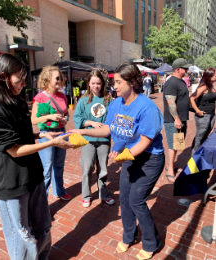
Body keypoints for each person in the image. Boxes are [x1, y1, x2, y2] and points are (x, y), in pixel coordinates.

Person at [70, 63, 165, 259]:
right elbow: (107, 130)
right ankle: (129, 236)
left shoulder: (147, 107)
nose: (115, 86)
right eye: (114, 82)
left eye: (119, 82)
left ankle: (151, 242)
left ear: (132, 82)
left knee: (137, 200)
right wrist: (82, 131)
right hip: (129, 156)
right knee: (125, 199)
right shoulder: (115, 104)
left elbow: (146, 141)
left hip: (150, 159)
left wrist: (121, 156)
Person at [0, 54, 74, 260]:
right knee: (22, 237)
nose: (23, 83)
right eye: (18, 79)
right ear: (3, 77)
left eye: (24, 78)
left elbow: (21, 134)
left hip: (34, 176)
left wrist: (42, 134)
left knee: (43, 228)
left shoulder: (17, 100)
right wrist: (51, 143)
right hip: (13, 182)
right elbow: (14, 149)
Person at [73, 70, 115, 208]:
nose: (96, 86)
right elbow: (77, 119)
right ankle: (86, 195)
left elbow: (112, 118)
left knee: (103, 168)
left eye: (98, 83)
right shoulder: (83, 100)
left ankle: (103, 194)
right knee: (87, 167)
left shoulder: (108, 99)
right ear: (88, 83)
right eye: (93, 83)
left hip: (103, 139)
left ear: (102, 83)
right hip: (88, 139)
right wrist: (91, 123)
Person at [31, 66, 71, 200]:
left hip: (61, 132)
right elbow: (33, 120)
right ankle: (42, 201)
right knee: (46, 168)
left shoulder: (63, 96)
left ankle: (59, 190)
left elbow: (66, 114)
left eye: (60, 78)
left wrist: (65, 120)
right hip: (46, 134)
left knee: (59, 165)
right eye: (57, 78)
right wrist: (49, 117)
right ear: (47, 79)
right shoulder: (40, 97)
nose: (60, 80)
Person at [163, 58, 191, 183]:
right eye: (185, 68)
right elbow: (170, 102)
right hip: (173, 121)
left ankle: (172, 165)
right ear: (178, 69)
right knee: (172, 146)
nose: (187, 70)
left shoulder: (181, 81)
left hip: (181, 119)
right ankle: (169, 170)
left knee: (178, 144)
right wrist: (177, 119)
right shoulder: (171, 82)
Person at [190, 68, 216, 155]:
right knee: (199, 137)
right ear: (209, 76)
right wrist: (197, 111)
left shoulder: (211, 86)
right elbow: (192, 98)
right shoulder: (204, 87)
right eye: (215, 75)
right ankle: (193, 158)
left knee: (205, 136)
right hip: (203, 116)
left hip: (211, 115)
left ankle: (200, 156)